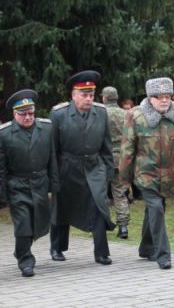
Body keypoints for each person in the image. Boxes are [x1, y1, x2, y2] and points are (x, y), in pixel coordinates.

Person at [120, 77, 174, 270]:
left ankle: (146, 247)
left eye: (167, 96)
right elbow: (127, 150)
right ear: (150, 98)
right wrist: (124, 179)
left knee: (155, 209)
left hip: (170, 176)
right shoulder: (135, 117)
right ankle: (163, 254)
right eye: (159, 97)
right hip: (145, 175)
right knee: (156, 208)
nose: (164, 100)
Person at [49, 70, 115, 265]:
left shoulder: (101, 112)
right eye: (84, 95)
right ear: (73, 95)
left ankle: (101, 252)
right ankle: (57, 247)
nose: (88, 99)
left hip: (94, 166)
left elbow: (106, 145)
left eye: (91, 95)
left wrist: (108, 171)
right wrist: (53, 176)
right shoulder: (59, 114)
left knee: (99, 206)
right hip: (68, 167)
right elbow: (52, 149)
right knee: (62, 208)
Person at [0, 89, 59, 277]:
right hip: (18, 185)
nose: (28, 117)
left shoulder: (46, 128)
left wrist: (54, 185)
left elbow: (52, 158)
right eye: (23, 114)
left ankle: (21, 249)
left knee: (39, 223)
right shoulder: (4, 133)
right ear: (14, 114)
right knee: (23, 223)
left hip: (40, 183)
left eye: (31, 113)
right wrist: (0, 193)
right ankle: (25, 260)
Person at [101, 86, 129, 239]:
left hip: (104, 158)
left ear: (104, 98)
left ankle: (101, 224)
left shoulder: (100, 114)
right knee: (120, 193)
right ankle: (123, 226)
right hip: (121, 157)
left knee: (100, 193)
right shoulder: (125, 114)